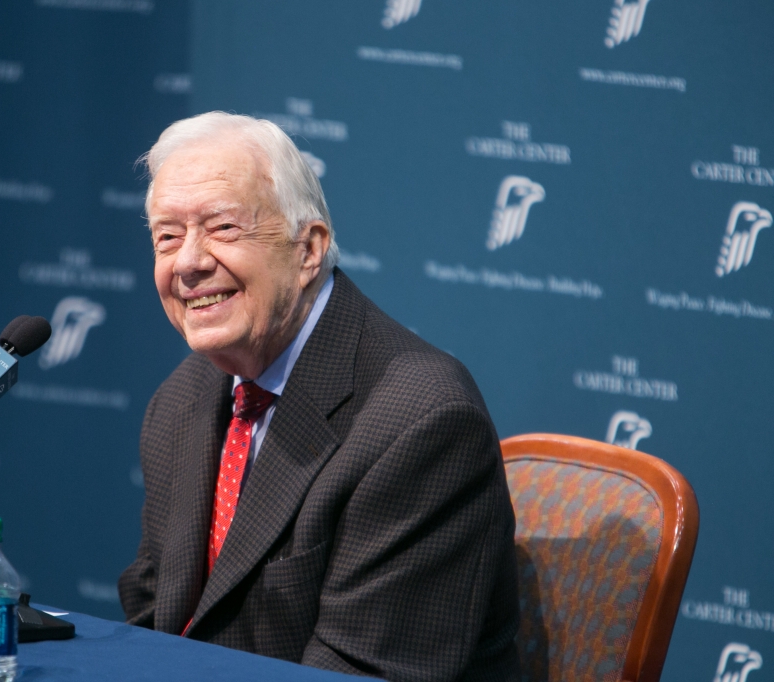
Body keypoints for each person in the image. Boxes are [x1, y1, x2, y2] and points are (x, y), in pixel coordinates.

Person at [119, 111, 521, 682]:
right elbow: (153, 615)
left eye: (223, 229)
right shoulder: (183, 399)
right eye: (167, 237)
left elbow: (362, 671)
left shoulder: (422, 421)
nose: (189, 262)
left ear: (308, 249)